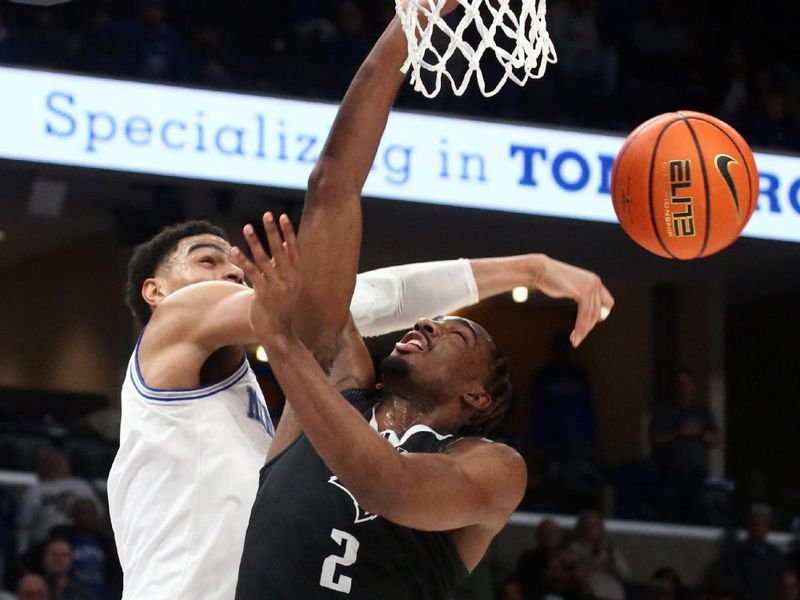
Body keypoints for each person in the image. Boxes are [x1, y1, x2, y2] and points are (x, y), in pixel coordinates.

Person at [107, 3, 613, 600]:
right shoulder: (178, 321)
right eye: (207, 260)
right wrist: (410, 25)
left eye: (232, 259)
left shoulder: (267, 402)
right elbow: (337, 260)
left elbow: (351, 296)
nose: (233, 271)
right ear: (156, 292)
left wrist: (528, 267)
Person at [649, 367, 721, 524]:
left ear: (693, 386)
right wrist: (678, 433)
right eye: (679, 384)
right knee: (670, 517)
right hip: (670, 476)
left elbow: (716, 439)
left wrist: (699, 434)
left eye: (686, 384)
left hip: (696, 476)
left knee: (697, 518)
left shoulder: (702, 413)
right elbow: (655, 439)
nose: (683, 388)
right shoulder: (663, 412)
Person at [16, 449, 104, 558]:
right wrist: (21, 554)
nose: (54, 466)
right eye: (49, 463)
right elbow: (23, 526)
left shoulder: (80, 486)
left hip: (80, 543)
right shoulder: (34, 490)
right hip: (43, 545)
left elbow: (98, 515)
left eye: (58, 463)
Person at [724, 504, 788, 600]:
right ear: (748, 527)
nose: (757, 529)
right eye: (755, 525)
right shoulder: (736, 554)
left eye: (762, 525)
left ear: (768, 528)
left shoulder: (776, 554)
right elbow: (734, 583)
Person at [567, 510, 630, 600]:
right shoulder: (575, 548)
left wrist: (611, 557)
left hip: (614, 594)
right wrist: (595, 553)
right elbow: (579, 573)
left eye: (597, 525)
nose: (594, 529)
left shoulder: (609, 547)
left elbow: (625, 574)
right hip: (592, 594)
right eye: (590, 526)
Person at [516, 518, 566, 599]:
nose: (549, 537)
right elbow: (527, 586)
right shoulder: (528, 559)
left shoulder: (571, 557)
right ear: (538, 537)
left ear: (561, 535)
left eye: (553, 533)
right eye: (545, 534)